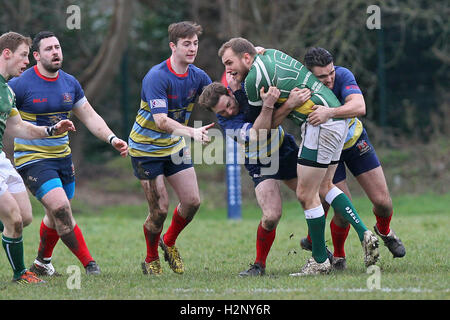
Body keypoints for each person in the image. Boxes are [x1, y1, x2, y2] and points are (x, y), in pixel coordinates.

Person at [218, 38, 379, 275]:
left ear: (246, 58)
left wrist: (278, 104)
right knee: (324, 187)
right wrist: (288, 102)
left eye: (229, 63)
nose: (228, 70)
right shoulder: (269, 53)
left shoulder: (253, 81)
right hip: (334, 124)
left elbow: (263, 127)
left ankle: (320, 261)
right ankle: (363, 233)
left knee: (306, 194)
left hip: (317, 125)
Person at [7, 31, 128, 276]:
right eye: (49, 49)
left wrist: (111, 138)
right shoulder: (19, 84)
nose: (55, 52)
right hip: (33, 160)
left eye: (57, 47)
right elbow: (9, 122)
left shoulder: (70, 83)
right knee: (61, 208)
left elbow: (90, 116)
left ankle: (42, 263)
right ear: (37, 56)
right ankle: (90, 264)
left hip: (63, 158)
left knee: (55, 215)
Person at [199, 73, 317, 276]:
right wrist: (271, 105)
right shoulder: (227, 124)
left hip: (284, 148)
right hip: (260, 161)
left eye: (228, 104)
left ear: (229, 92)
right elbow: (257, 133)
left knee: (316, 198)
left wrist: (258, 52)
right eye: (222, 111)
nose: (229, 110)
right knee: (271, 216)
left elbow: (252, 61)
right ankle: (258, 266)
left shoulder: (245, 88)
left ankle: (314, 244)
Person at [298, 47, 405, 269]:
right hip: (326, 151)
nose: (328, 79)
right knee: (341, 206)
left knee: (383, 202)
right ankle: (338, 256)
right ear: (309, 75)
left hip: (354, 142)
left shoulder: (343, 75)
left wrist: (329, 112)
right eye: (322, 76)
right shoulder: (300, 84)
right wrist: (260, 52)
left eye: (330, 74)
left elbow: (360, 106)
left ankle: (384, 231)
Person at [128, 21, 213, 275]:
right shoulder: (156, 76)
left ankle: (169, 241)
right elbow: (161, 121)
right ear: (172, 46)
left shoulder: (197, 76)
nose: (192, 48)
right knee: (160, 210)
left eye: (195, 43)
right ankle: (151, 258)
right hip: (146, 150)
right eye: (186, 44)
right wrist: (192, 132)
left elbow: (217, 97)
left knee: (193, 201)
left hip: (174, 146)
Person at [0, 31, 75, 283]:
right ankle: (21, 274)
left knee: (25, 216)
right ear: (6, 54)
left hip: (1, 159)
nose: (27, 62)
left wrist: (52, 130)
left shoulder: (7, 92)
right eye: (23, 55)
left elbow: (18, 128)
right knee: (12, 217)